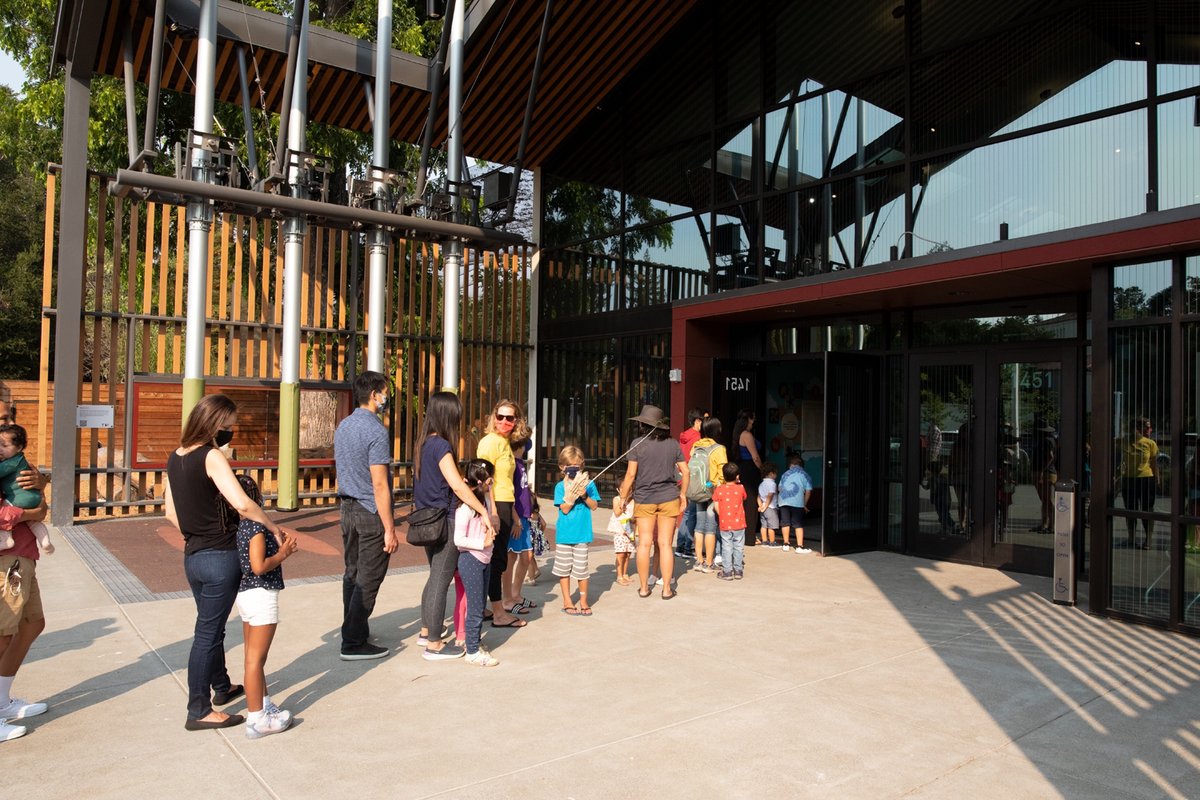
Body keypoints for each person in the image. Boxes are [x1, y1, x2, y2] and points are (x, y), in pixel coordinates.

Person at [164, 393, 289, 731]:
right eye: (229, 427)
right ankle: (198, 708)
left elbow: (170, 512)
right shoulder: (211, 456)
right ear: (215, 425)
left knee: (211, 625)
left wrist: (195, 533)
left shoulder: (174, 458)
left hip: (193, 556)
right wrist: (272, 526)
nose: (230, 433)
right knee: (207, 633)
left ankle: (222, 686)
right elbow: (243, 504)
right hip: (221, 557)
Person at [414, 392, 496, 661]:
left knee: (434, 576)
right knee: (441, 579)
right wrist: (483, 510)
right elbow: (458, 486)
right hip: (444, 520)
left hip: (425, 519)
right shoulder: (442, 447)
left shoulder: (424, 444)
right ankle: (435, 644)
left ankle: (427, 630)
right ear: (449, 416)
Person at [333, 371, 397, 661]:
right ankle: (354, 640)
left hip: (347, 508)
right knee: (369, 577)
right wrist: (390, 527)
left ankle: (353, 628)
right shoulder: (375, 430)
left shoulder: (344, 426)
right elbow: (380, 483)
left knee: (353, 572)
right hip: (370, 510)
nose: (387, 398)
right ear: (374, 395)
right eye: (385, 392)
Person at [233, 475, 298, 739]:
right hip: (261, 595)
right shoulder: (256, 528)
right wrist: (283, 554)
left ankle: (264, 705)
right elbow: (259, 566)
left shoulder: (242, 527)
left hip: (246, 595)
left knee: (252, 657)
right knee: (255, 659)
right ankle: (257, 718)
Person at [615, 405, 687, 599]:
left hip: (644, 498)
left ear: (643, 425)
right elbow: (686, 471)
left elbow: (630, 474)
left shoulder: (638, 443)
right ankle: (666, 589)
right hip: (669, 497)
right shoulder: (672, 444)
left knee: (644, 543)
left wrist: (623, 497)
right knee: (665, 544)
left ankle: (644, 588)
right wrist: (683, 494)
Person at [476, 399, 531, 628]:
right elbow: (483, 479)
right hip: (496, 504)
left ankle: (484, 607)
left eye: (510, 418)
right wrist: (493, 511)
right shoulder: (490, 442)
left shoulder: (505, 443)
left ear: (516, 420)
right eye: (501, 417)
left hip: (506, 504)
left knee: (495, 559)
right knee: (496, 559)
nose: (505, 422)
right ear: (493, 417)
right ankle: (499, 613)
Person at [454, 458, 501, 667]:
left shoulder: (484, 504)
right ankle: (472, 650)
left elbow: (490, 514)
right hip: (471, 560)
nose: (492, 484)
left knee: (480, 605)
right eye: (490, 480)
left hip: (485, 559)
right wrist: (482, 542)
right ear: (483, 481)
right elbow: (458, 541)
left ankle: (475, 641)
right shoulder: (464, 509)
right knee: (475, 606)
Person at [554, 446, 600, 615]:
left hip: (582, 534)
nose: (573, 470)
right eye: (569, 467)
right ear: (562, 467)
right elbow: (564, 509)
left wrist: (585, 495)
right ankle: (567, 600)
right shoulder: (560, 486)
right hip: (565, 535)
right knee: (563, 569)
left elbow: (594, 506)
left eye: (577, 466)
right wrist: (571, 495)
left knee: (582, 569)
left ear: (582, 466)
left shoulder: (589, 484)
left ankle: (583, 600)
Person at [0, 425, 52, 553]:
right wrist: (33, 513)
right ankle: (45, 541)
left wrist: (42, 482)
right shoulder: (18, 460)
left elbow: (42, 512)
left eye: (4, 446)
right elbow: (39, 513)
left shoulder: (12, 462)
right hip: (31, 500)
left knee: (8, 509)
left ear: (19, 448)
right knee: (33, 522)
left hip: (18, 557)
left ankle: (6, 539)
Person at [686, 417, 727, 574]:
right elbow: (722, 472)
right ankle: (709, 563)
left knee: (699, 525)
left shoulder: (697, 445)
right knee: (711, 527)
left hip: (697, 489)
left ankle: (699, 561)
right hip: (712, 492)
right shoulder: (719, 449)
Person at [503, 435, 539, 612]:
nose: (526, 448)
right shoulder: (510, 465)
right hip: (515, 518)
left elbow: (525, 491)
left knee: (527, 557)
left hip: (524, 517)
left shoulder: (520, 463)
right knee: (511, 557)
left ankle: (516, 593)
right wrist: (515, 518)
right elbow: (507, 494)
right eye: (524, 445)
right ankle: (507, 598)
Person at [1119, 416, 1159, 549]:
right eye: (1146, 427)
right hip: (1129, 479)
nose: (1149, 429)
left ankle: (1148, 539)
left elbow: (1154, 463)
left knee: (1147, 509)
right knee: (1130, 509)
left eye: (1149, 427)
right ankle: (1131, 537)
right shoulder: (1125, 441)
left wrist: (1157, 479)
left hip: (1146, 478)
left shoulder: (1150, 443)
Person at [674, 408, 706, 558]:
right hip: (693, 477)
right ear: (698, 421)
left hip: (682, 475)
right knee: (691, 513)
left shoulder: (684, 436)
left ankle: (680, 546)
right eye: (704, 420)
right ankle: (687, 547)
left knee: (687, 513)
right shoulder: (697, 438)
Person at [731, 409, 764, 546]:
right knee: (751, 503)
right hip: (750, 469)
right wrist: (763, 470)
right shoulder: (747, 435)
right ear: (748, 419)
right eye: (753, 417)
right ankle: (749, 537)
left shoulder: (738, 434)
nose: (754, 420)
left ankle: (744, 535)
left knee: (745, 503)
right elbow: (755, 456)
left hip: (744, 468)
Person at [711, 462, 747, 580]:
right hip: (739, 523)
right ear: (737, 476)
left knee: (726, 546)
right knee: (738, 546)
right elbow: (744, 498)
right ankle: (738, 570)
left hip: (725, 523)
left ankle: (727, 571)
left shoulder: (719, 489)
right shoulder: (740, 488)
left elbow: (716, 505)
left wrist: (722, 515)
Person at [778, 453, 813, 554]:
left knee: (785, 523)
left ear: (791, 465)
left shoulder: (785, 474)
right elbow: (808, 492)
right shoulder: (806, 475)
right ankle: (799, 546)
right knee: (798, 524)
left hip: (783, 501)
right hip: (797, 502)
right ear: (801, 465)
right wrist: (804, 504)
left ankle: (785, 544)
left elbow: (779, 488)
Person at [1031, 418, 1059, 534]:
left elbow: (1051, 456)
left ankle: (1052, 525)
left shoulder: (1047, 441)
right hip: (1044, 472)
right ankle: (1044, 523)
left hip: (1046, 473)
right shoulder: (1048, 440)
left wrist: (1042, 470)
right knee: (1045, 500)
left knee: (1048, 500)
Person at [607, 496, 635, 585]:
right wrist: (622, 504)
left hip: (630, 531)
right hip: (620, 531)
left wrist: (633, 519)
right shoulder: (617, 499)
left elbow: (634, 516)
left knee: (628, 553)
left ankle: (624, 573)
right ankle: (619, 576)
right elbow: (617, 513)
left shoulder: (633, 500)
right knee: (621, 554)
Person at [757, 461, 780, 547]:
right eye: (775, 474)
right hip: (770, 507)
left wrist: (761, 506)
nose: (776, 476)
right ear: (771, 473)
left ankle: (764, 541)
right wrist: (766, 506)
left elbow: (758, 496)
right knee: (771, 526)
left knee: (764, 525)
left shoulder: (761, 484)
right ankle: (772, 542)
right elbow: (770, 496)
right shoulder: (772, 484)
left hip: (763, 507)